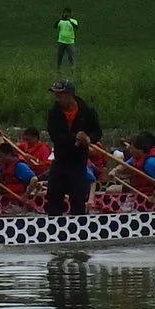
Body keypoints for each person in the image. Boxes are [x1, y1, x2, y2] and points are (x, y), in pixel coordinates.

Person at [43, 80, 103, 216]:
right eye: (56, 96)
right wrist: (75, 137)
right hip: (61, 160)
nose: (57, 99)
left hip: (78, 162)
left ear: (70, 95)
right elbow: (56, 136)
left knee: (78, 199)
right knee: (53, 197)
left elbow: (97, 132)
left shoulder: (87, 111)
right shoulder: (54, 113)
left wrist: (88, 139)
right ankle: (53, 228)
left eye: (60, 95)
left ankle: (79, 228)